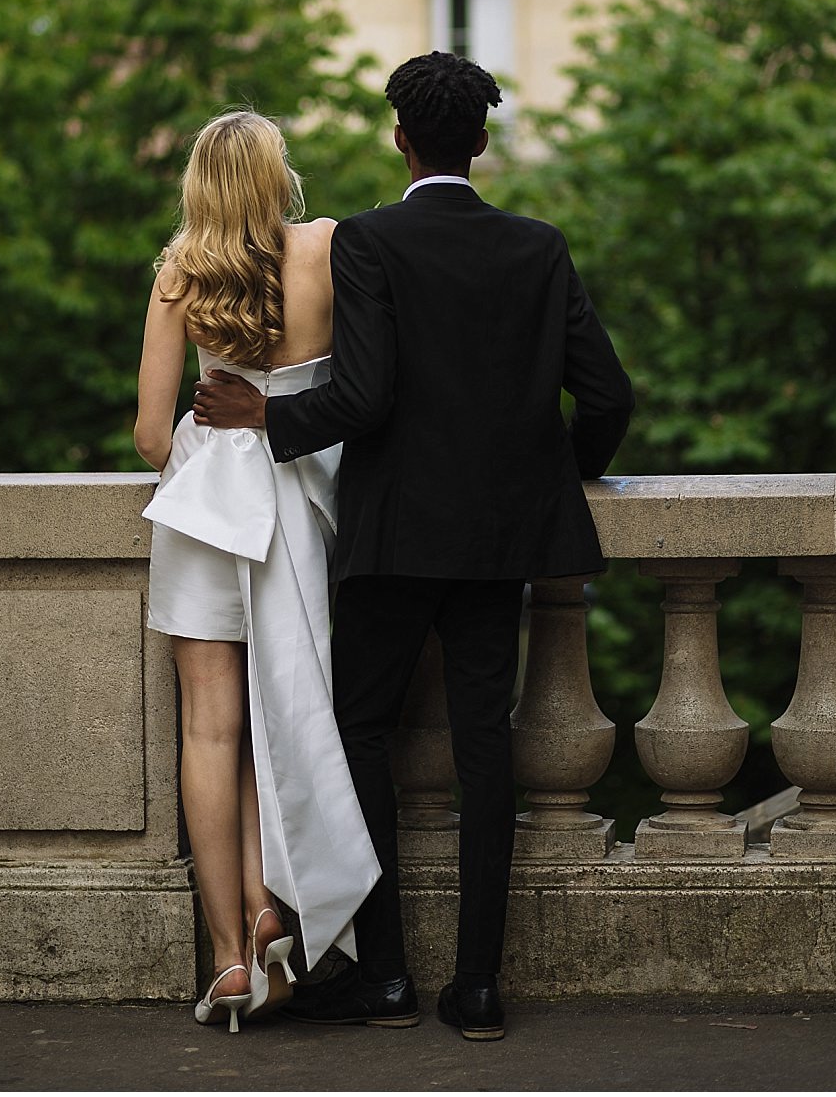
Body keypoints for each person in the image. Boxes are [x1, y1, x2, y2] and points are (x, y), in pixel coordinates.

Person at [193, 52, 634, 1042]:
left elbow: (366, 397)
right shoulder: (540, 246)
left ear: (401, 139)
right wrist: (549, 477)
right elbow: (607, 397)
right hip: (498, 540)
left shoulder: (373, 241)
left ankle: (383, 972)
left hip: (392, 539)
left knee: (359, 734)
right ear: (482, 142)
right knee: (488, 750)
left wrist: (260, 413)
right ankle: (478, 987)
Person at [134, 111, 380, 1036]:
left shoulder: (180, 274)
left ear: (199, 185)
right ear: (279, 177)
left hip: (207, 511)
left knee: (212, 733)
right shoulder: (324, 250)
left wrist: (206, 467)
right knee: (289, 715)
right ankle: (279, 902)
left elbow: (153, 433)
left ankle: (233, 955)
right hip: (300, 502)